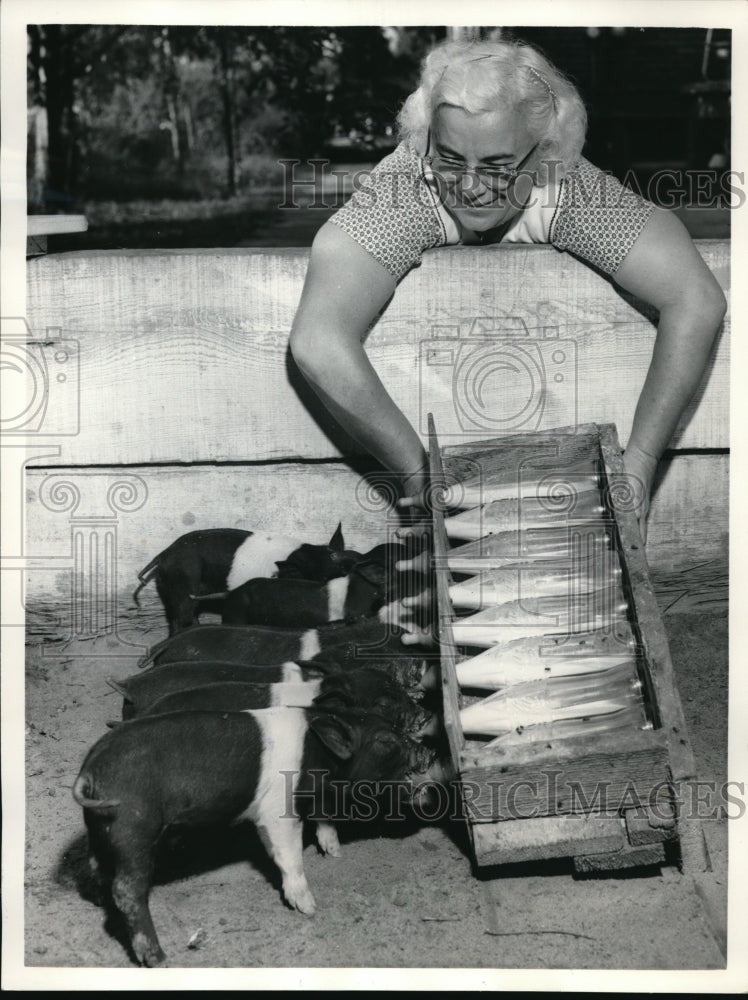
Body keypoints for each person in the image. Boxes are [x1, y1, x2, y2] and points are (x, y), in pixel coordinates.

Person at [289, 37, 726, 545]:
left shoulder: (565, 183)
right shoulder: (405, 185)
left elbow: (697, 298)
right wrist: (423, 480)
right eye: (451, 158)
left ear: (543, 153)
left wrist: (642, 463)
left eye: (497, 166)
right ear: (428, 138)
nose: (472, 185)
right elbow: (317, 342)